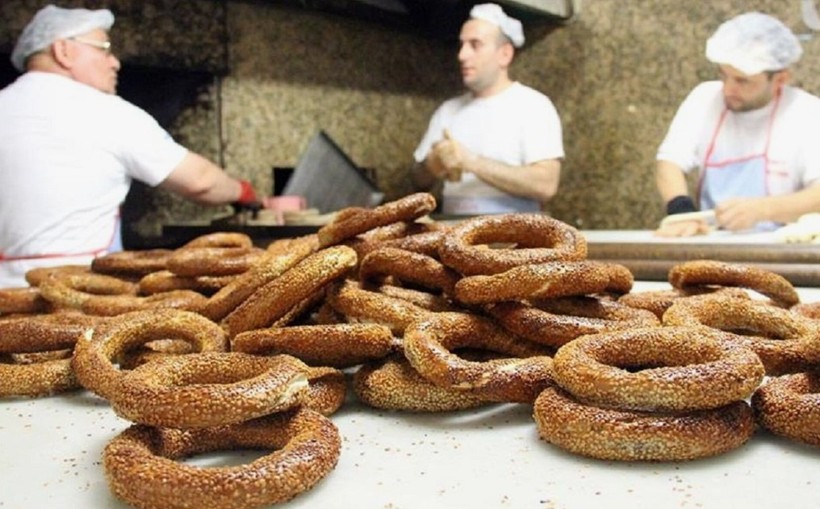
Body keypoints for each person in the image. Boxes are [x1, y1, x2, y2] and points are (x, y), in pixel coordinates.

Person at [0, 5, 260, 288]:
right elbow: (201, 182)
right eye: (104, 49)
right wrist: (245, 192)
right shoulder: (105, 112)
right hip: (78, 297)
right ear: (64, 51)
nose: (115, 62)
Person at [655, 11, 820, 237]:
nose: (728, 89)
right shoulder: (704, 98)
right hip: (713, 246)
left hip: (784, 247)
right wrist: (682, 211)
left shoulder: (807, 112)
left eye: (743, 81)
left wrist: (762, 209)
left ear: (780, 80)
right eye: (724, 76)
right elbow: (669, 161)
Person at [411, 3, 563, 215]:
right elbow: (417, 181)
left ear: (505, 54)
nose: (462, 55)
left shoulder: (533, 106)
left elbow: (546, 185)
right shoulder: (448, 110)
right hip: (453, 231)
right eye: (462, 45)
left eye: (475, 44)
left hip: (515, 237)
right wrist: (432, 164)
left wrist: (471, 162)